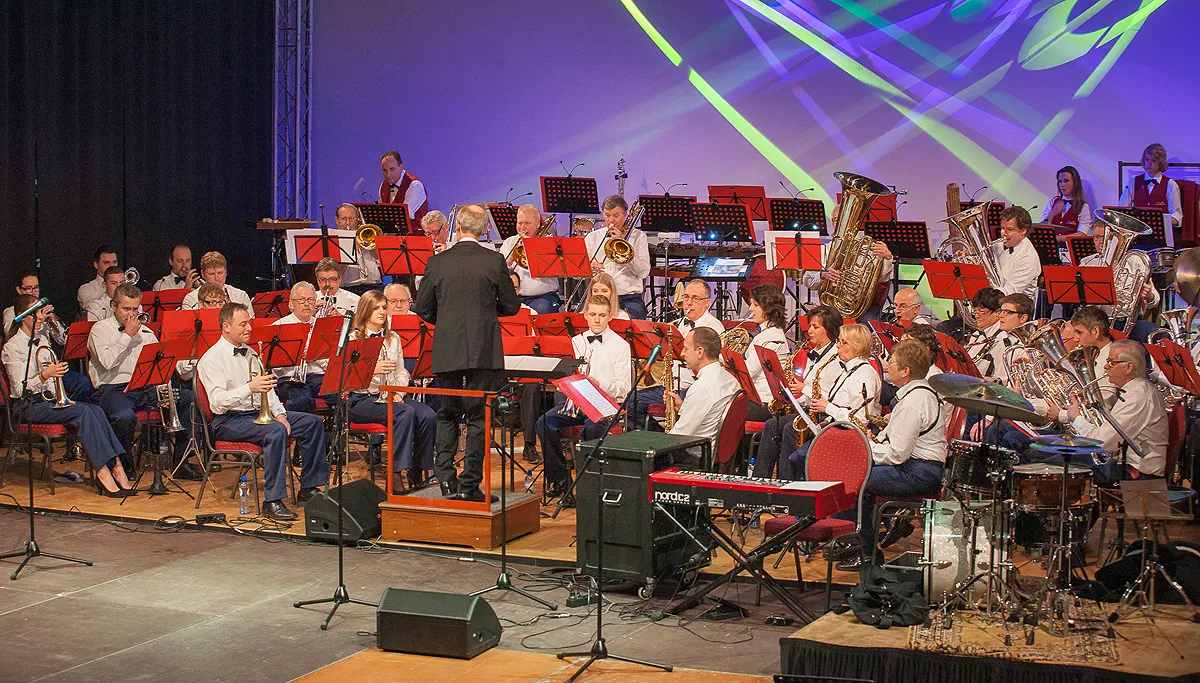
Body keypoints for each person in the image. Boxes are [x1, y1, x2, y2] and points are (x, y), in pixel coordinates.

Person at [413, 204, 521, 502]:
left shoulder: (438, 262)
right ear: (485, 229)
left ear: (457, 227)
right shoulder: (494, 260)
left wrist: (446, 321)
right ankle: (469, 484)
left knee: (447, 412)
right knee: (477, 417)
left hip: (447, 346)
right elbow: (511, 307)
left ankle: (445, 480)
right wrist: (486, 313)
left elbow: (422, 308)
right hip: (483, 347)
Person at [197, 303, 329, 520]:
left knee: (312, 423)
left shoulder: (251, 353)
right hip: (229, 420)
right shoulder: (212, 359)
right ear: (226, 326)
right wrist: (248, 388)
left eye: (249, 322)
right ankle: (273, 501)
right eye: (243, 324)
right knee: (275, 431)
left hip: (258, 414)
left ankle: (309, 488)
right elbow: (217, 403)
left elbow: (270, 393)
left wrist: (280, 414)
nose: (249, 328)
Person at [3, 294, 135, 496]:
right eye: (37, 312)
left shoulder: (43, 340)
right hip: (27, 406)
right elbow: (20, 389)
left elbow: (52, 383)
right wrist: (45, 374)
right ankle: (103, 472)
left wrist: (60, 393)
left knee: (96, 410)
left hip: (47, 401)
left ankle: (116, 465)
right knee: (83, 412)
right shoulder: (12, 347)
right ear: (22, 316)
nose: (41, 316)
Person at [833, 339, 946, 570]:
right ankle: (862, 542)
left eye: (892, 363)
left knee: (853, 482)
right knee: (856, 476)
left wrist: (866, 449)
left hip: (920, 471)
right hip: (917, 466)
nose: (886, 366)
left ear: (906, 371)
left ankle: (865, 552)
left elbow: (896, 456)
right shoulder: (916, 394)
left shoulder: (914, 402)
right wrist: (875, 441)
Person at [87, 283, 202, 481]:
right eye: (126, 309)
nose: (131, 315)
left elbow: (159, 367)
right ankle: (122, 463)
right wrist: (128, 335)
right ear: (114, 307)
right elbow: (106, 362)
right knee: (124, 416)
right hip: (114, 389)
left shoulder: (146, 333)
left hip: (145, 388)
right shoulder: (100, 329)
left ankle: (182, 462)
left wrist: (163, 390)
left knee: (189, 399)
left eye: (135, 309)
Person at [536, 295, 631, 504]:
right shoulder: (575, 342)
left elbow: (624, 390)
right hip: (576, 404)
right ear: (585, 315)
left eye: (602, 315)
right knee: (544, 423)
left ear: (610, 316)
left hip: (605, 406)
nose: (597, 320)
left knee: (593, 428)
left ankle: (590, 487)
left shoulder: (620, 346)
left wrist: (598, 383)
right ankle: (561, 482)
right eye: (593, 315)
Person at [347, 290, 437, 495]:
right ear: (365, 311)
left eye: (383, 308)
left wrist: (398, 392)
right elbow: (345, 377)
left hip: (391, 395)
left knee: (427, 415)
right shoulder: (353, 339)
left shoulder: (393, 338)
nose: (381, 312)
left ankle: (418, 468)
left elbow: (401, 371)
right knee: (404, 413)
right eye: (376, 308)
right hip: (363, 399)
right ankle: (395, 473)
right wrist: (371, 369)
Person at [751, 305, 842, 479]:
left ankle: (787, 483)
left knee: (788, 428)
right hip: (807, 410)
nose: (810, 331)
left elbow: (829, 395)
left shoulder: (836, 359)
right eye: (810, 326)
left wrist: (803, 389)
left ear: (829, 329)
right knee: (771, 425)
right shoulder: (814, 353)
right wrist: (790, 398)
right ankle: (759, 481)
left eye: (816, 327)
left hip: (824, 415)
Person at [1067, 339, 1167, 483]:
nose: (1106, 367)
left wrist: (1076, 418)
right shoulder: (1132, 389)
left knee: (1045, 459)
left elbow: (1101, 443)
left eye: (1111, 363)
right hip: (1120, 463)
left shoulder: (1138, 397)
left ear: (1129, 367)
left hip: (1134, 473)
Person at [787, 323, 880, 476]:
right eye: (838, 341)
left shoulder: (864, 374)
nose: (837, 346)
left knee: (800, 458)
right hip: (837, 427)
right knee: (795, 455)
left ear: (857, 346)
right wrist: (825, 421)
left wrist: (827, 408)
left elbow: (860, 420)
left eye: (843, 342)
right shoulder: (848, 370)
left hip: (852, 436)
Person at [632, 279, 724, 431]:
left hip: (694, 388)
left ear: (707, 303)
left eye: (695, 298)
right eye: (686, 297)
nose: (689, 303)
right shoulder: (676, 324)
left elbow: (716, 364)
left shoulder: (714, 328)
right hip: (671, 385)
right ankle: (658, 438)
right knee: (631, 401)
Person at [5, 271, 89, 402]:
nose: (33, 292)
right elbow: (12, 335)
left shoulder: (43, 313)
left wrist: (51, 319)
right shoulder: (12, 313)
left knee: (82, 383)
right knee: (83, 412)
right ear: (19, 290)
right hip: (32, 372)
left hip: (48, 369)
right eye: (29, 288)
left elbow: (62, 340)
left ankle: (66, 405)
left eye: (36, 288)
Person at [1075, 220, 1160, 340]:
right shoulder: (1087, 263)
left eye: (1104, 238)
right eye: (1096, 238)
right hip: (1094, 320)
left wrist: (1149, 296)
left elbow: (1155, 300)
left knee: (1154, 333)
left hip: (1125, 322)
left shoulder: (1135, 261)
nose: (1101, 243)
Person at [666, 327, 740, 450]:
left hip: (694, 455)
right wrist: (683, 407)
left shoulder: (702, 388)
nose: (682, 353)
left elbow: (679, 436)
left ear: (700, 352)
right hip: (717, 452)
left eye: (686, 348)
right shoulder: (731, 380)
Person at [583, 195, 650, 319]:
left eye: (616, 215)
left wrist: (625, 246)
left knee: (635, 318)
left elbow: (644, 272)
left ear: (625, 214)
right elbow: (579, 272)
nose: (611, 220)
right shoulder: (592, 238)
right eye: (607, 215)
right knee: (578, 319)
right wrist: (589, 268)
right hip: (598, 296)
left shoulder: (638, 237)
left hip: (627, 297)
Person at [802, 234, 894, 322]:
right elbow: (807, 280)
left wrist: (887, 257)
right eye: (834, 219)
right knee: (809, 321)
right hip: (832, 305)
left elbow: (882, 279)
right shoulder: (825, 249)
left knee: (867, 325)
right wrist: (822, 275)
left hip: (862, 308)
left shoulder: (869, 247)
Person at [270, 282, 326, 413]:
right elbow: (272, 367)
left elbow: (331, 363)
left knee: (341, 395)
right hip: (289, 378)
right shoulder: (278, 327)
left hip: (318, 376)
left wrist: (314, 355)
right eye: (301, 300)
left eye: (311, 300)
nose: (307, 304)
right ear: (291, 304)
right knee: (301, 400)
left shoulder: (324, 326)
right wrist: (293, 355)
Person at [743, 284, 791, 422]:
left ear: (769, 308)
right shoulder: (769, 332)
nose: (751, 308)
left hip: (765, 402)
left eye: (755, 304)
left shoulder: (770, 336)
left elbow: (747, 372)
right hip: (757, 398)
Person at [501, 204, 561, 314]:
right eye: (520, 223)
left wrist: (530, 246)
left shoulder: (549, 242)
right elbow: (499, 271)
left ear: (538, 223)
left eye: (527, 223)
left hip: (542, 297)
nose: (522, 227)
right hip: (513, 297)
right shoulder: (509, 242)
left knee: (542, 312)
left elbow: (550, 270)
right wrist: (509, 260)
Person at [1119, 143, 1182, 228]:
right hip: (1138, 233)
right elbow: (1122, 209)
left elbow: (1177, 216)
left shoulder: (1170, 185)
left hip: (1161, 234)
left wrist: (1157, 221)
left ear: (1161, 162)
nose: (1149, 164)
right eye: (1147, 160)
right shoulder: (1133, 182)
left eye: (1154, 161)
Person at [991, 206, 1040, 301]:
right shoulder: (998, 245)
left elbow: (1010, 292)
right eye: (1002, 228)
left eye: (1009, 229)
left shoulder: (1028, 257)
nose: (1003, 233)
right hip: (995, 303)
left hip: (1015, 310)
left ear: (1023, 230)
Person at [181, 251, 253, 313]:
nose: (217, 278)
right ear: (203, 274)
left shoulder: (241, 296)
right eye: (211, 274)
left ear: (226, 272)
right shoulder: (190, 299)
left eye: (220, 273)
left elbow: (250, 323)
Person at [335, 204, 383, 294]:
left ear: (358, 220)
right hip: (349, 288)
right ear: (336, 220)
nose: (348, 223)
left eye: (352, 218)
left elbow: (382, 262)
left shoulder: (367, 235)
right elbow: (335, 274)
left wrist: (371, 247)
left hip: (374, 286)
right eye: (343, 219)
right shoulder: (333, 241)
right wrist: (350, 249)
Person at [379, 150, 429, 228]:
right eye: (384, 170)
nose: (388, 175)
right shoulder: (384, 184)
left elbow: (404, 215)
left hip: (414, 237)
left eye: (392, 169)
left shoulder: (414, 185)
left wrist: (384, 237)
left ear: (401, 167)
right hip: (392, 236)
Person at [962, 288, 1005, 377]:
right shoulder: (977, 335)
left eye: (981, 312)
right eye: (975, 311)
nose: (977, 316)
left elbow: (1000, 378)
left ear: (997, 312)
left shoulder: (1002, 339)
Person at [1041, 165, 1093, 234]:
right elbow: (1041, 227)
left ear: (1075, 183)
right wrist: (1053, 213)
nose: (1062, 185)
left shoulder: (1083, 207)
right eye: (1060, 181)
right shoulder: (1053, 202)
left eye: (1066, 181)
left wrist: (1057, 238)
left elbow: (1081, 233)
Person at [78, 245, 118, 313]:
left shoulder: (125, 286)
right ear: (96, 265)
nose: (112, 266)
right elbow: (92, 310)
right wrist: (110, 287)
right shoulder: (86, 289)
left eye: (114, 262)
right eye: (106, 263)